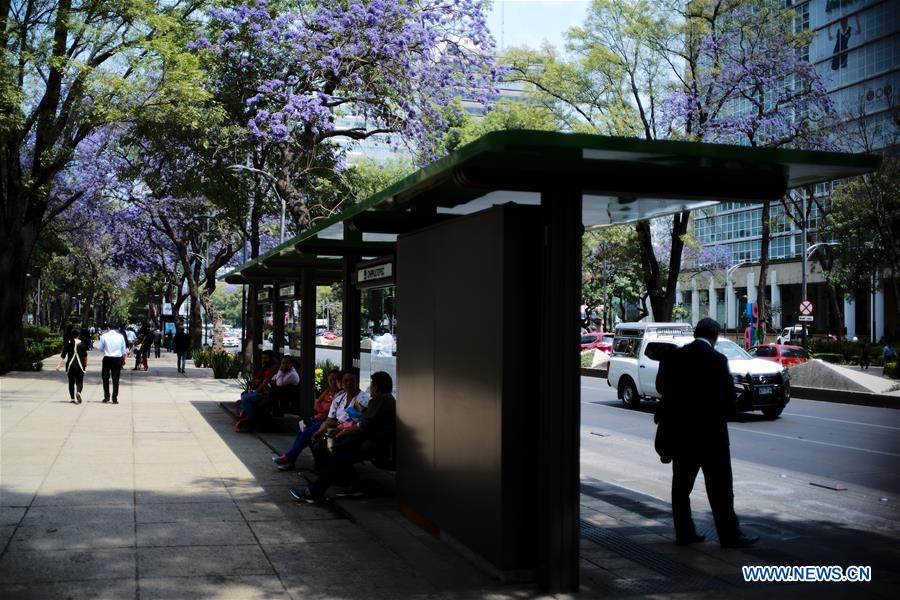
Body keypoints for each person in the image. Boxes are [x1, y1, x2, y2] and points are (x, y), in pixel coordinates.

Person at [655, 317, 758, 549]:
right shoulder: (717, 360)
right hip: (712, 437)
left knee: (681, 488)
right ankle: (729, 536)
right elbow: (729, 401)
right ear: (715, 337)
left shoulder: (675, 357)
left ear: (695, 334)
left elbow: (662, 388)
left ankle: (684, 533)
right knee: (721, 490)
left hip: (682, 435)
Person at [291, 371, 395, 503]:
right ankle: (344, 482)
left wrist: (342, 432)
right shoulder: (383, 399)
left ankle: (315, 491)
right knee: (332, 450)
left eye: (371, 385)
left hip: (373, 445)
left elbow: (363, 425)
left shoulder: (380, 399)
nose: (370, 388)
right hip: (369, 441)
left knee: (335, 450)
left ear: (376, 386)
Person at [272, 369, 342, 471]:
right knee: (301, 426)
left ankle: (289, 458)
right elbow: (316, 406)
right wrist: (323, 407)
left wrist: (323, 407)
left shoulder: (340, 395)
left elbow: (328, 410)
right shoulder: (328, 392)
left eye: (335, 380)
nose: (333, 383)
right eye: (330, 380)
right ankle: (291, 460)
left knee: (306, 433)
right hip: (317, 419)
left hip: (326, 423)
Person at [307, 371, 370, 471]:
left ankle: (335, 471)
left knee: (330, 446)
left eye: (352, 380)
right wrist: (320, 431)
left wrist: (340, 428)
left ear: (357, 382)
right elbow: (330, 420)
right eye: (346, 381)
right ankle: (325, 468)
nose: (349, 383)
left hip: (353, 432)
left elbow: (360, 420)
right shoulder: (339, 399)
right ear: (342, 384)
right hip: (336, 429)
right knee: (314, 439)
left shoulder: (365, 398)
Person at [235, 351, 282, 431]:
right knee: (244, 395)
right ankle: (245, 416)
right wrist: (255, 382)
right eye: (262, 358)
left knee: (246, 399)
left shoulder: (273, 368)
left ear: (271, 358)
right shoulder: (265, 367)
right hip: (262, 391)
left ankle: (252, 420)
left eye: (266, 358)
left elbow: (264, 383)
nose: (263, 360)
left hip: (267, 394)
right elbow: (257, 379)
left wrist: (255, 391)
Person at [58, 327, 89, 404]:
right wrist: (85, 364)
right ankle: (78, 392)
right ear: (78, 335)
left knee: (71, 382)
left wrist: (59, 365)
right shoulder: (82, 343)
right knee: (79, 381)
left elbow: (63, 355)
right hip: (80, 365)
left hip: (70, 365)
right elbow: (85, 355)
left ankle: (72, 398)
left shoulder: (68, 343)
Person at [99, 323, 127, 404]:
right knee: (116, 378)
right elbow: (123, 350)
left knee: (105, 378)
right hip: (117, 359)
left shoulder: (104, 336)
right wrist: (124, 360)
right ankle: (114, 398)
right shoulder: (120, 336)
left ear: (108, 328)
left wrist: (106, 350)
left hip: (107, 358)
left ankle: (106, 396)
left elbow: (100, 348)